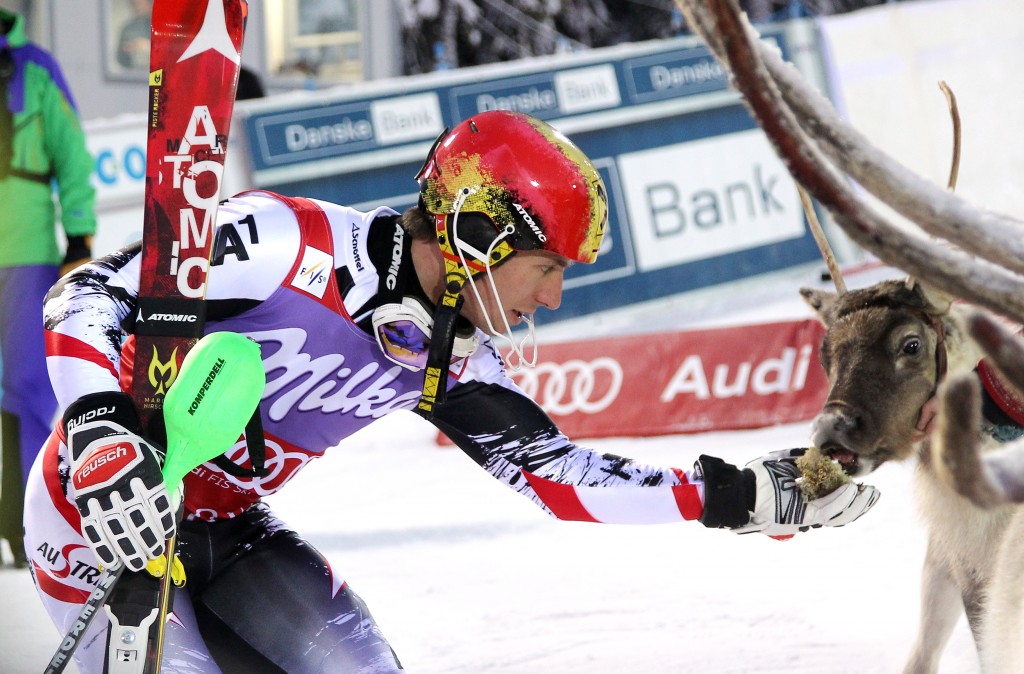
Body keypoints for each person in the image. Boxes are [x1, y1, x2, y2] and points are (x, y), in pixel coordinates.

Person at [24, 110, 878, 673]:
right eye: (547, 269)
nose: (553, 297)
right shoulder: (291, 245)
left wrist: (743, 494)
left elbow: (562, 478)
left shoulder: (449, 352)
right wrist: (103, 436)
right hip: (95, 518)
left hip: (232, 529)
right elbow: (85, 295)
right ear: (477, 231)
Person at [0, 7, 95, 569]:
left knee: (31, 387)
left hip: (28, 254)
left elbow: (73, 154)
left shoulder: (36, 70)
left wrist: (79, 236)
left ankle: (37, 523)